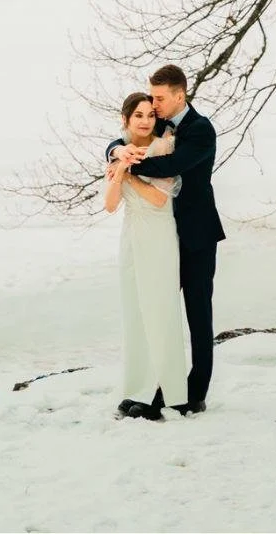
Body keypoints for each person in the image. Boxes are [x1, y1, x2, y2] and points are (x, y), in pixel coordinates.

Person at [107, 64, 225, 415]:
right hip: (162, 236)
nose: (154, 105)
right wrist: (115, 152)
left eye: (159, 98)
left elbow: (169, 165)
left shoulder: (202, 130)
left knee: (197, 314)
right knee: (159, 314)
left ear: (179, 95)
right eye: (152, 97)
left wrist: (126, 167)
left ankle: (195, 394)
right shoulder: (159, 123)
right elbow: (128, 134)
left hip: (197, 234)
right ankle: (158, 389)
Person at [104, 91, 187, 421]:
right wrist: (120, 167)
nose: (145, 120)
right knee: (135, 313)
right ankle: (137, 386)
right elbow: (110, 205)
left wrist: (131, 175)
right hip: (131, 237)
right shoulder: (119, 151)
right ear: (126, 120)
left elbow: (158, 199)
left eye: (150, 115)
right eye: (138, 115)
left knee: (160, 310)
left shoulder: (165, 146)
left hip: (159, 235)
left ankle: (167, 390)